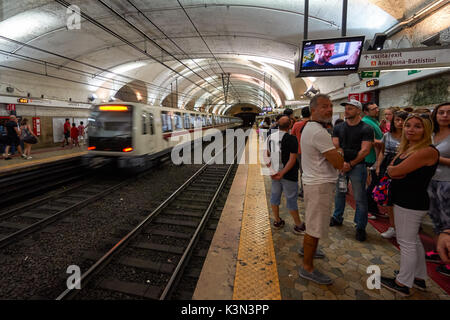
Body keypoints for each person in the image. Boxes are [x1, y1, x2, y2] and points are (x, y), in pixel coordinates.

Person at [380, 114, 439, 296]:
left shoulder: (426, 150)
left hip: (411, 202)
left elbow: (394, 170)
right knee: (413, 240)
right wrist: (394, 171)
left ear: (426, 130)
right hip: (406, 198)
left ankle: (403, 282)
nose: (411, 129)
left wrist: (393, 171)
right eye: (408, 125)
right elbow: (392, 168)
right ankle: (419, 277)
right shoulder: (411, 147)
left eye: (417, 126)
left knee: (406, 242)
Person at [297, 94, 344, 285]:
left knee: (313, 223)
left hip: (313, 182)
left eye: (331, 106)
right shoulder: (319, 132)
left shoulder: (310, 127)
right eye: (324, 106)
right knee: (315, 227)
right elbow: (338, 162)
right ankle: (307, 267)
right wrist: (339, 152)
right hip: (319, 185)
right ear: (313, 109)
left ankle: (309, 250)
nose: (329, 110)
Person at [330, 99, 374, 242]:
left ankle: (360, 226)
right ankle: (337, 217)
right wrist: (342, 162)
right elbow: (335, 145)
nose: (346, 111)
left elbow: (365, 150)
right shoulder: (339, 127)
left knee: (359, 197)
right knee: (340, 193)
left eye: (350, 108)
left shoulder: (366, 128)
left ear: (358, 111)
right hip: (341, 165)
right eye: (346, 108)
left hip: (358, 166)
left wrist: (351, 163)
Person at [267, 116, 305, 235]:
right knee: (291, 198)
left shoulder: (269, 137)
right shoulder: (291, 138)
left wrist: (272, 170)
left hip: (275, 173)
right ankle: (298, 225)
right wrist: (282, 173)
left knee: (274, 196)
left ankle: (277, 221)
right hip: (288, 174)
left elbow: (267, 154)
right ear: (290, 126)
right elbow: (292, 159)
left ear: (278, 124)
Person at [376, 111, 409, 239]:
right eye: (398, 120)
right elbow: (382, 153)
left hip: (404, 169)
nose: (400, 123)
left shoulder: (410, 136)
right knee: (389, 199)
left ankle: (405, 227)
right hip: (387, 168)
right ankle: (393, 226)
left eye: (403, 120)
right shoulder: (387, 135)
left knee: (402, 199)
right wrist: (378, 166)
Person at [426, 102, 450, 277]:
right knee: (435, 218)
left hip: (447, 182)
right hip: (430, 180)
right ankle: (438, 249)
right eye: (441, 112)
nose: (444, 116)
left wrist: (436, 158)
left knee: (448, 222)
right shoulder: (431, 134)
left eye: (448, 113)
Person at [362, 102, 384, 220]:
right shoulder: (366, 122)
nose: (377, 110)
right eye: (373, 109)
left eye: (377, 108)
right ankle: (369, 209)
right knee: (373, 184)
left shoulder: (373, 121)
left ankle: (374, 208)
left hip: (378, 156)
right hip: (371, 158)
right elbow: (370, 140)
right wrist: (384, 142)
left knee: (375, 184)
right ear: (366, 111)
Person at [291, 106, 311, 198]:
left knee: (303, 172)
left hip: (299, 151)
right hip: (312, 152)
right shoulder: (314, 124)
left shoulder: (296, 125)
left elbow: (292, 137)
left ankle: (303, 190)